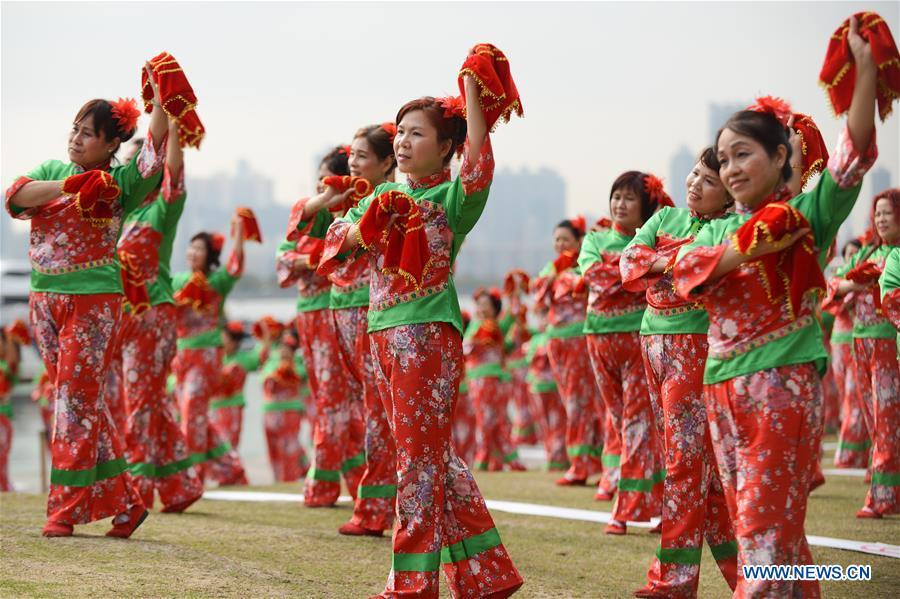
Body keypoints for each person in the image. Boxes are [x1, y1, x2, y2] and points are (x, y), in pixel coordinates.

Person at [672, 18, 878, 594]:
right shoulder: (721, 232)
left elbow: (852, 156)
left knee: (763, 535)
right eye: (723, 159)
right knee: (772, 541)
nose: (732, 168)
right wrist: (750, 244)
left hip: (782, 387)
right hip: (721, 391)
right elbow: (685, 272)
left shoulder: (806, 216)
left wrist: (863, 70)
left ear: (781, 155)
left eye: (743, 154)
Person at [316, 59, 523, 596]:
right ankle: (488, 574)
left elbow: (479, 164)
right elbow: (335, 242)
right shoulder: (383, 199)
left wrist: (472, 96)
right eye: (400, 132)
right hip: (383, 332)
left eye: (417, 134)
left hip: (427, 335)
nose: (403, 142)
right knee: (429, 457)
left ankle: (411, 582)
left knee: (418, 462)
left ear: (445, 146)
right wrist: (365, 220)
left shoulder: (450, 201)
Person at [6, 77, 168, 537]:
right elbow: (15, 197)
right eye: (75, 129)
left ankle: (65, 509)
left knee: (73, 402)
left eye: (88, 133)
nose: (76, 138)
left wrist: (159, 103)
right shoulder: (52, 168)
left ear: (112, 142)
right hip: (44, 300)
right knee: (81, 401)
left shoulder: (120, 184)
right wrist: (69, 184)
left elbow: (154, 153)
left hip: (93, 304)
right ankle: (127, 502)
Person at [620, 150, 737, 596]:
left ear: (727, 195)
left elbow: (702, 270)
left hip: (695, 347)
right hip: (652, 345)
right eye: (695, 173)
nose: (695, 184)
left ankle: (674, 579)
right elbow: (628, 262)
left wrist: (664, 259)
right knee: (693, 469)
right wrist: (676, 258)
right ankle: (749, 576)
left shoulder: (727, 228)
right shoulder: (665, 215)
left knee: (685, 465)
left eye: (709, 181)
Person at [118, 121, 204, 513]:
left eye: (140, 162)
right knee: (147, 403)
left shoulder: (161, 211)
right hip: (124, 318)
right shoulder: (121, 215)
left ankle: (137, 490)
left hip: (154, 315)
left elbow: (175, 175)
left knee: (140, 404)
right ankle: (180, 484)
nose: (133, 169)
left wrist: (168, 120)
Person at [276, 146, 366, 508]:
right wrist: (308, 259)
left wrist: (307, 260)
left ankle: (324, 484)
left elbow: (329, 260)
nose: (321, 189)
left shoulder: (344, 220)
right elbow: (283, 257)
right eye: (318, 182)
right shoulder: (312, 219)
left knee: (334, 400)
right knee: (325, 399)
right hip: (307, 317)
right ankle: (356, 479)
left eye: (329, 181)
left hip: (332, 313)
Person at [579, 173, 668, 535]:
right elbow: (592, 276)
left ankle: (624, 509)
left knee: (636, 422)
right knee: (621, 421)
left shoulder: (652, 242)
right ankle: (661, 501)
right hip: (597, 338)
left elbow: (644, 276)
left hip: (636, 338)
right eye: (616, 196)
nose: (620, 204)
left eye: (630, 198)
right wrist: (632, 274)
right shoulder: (595, 239)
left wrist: (634, 273)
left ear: (645, 206)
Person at [829, 188, 900, 518]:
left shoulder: (895, 257)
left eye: (888, 212)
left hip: (888, 345)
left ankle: (882, 496)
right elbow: (834, 287)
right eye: (879, 213)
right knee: (872, 417)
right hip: (859, 343)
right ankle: (883, 481)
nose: (882, 218)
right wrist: (859, 283)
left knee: (886, 418)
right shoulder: (866, 255)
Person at [172, 217, 249, 487]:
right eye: (191, 248)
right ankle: (232, 468)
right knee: (191, 415)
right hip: (181, 356)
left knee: (192, 410)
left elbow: (235, 266)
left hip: (206, 354)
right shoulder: (177, 280)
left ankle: (191, 477)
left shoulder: (217, 282)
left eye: (200, 249)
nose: (193, 253)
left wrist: (239, 232)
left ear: (210, 255)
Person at [532, 218, 606, 487]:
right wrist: (553, 273)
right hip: (556, 340)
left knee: (580, 401)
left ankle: (583, 463)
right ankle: (584, 461)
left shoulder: (586, 264)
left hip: (578, 339)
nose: (560, 244)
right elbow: (539, 300)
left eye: (566, 239)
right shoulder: (552, 269)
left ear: (578, 241)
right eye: (557, 240)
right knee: (570, 400)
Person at [260, 331, 309, 482]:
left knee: (288, 447)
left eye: (289, 347)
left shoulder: (299, 364)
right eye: (282, 346)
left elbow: (301, 377)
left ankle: (290, 478)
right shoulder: (270, 363)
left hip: (290, 410)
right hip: (270, 411)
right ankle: (279, 479)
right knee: (273, 448)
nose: (284, 350)